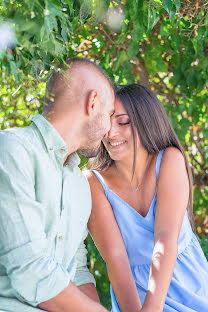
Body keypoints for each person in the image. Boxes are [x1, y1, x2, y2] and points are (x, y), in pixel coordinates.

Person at [0, 57, 115, 312]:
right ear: (92, 101)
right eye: (109, 114)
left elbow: (77, 269)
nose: (109, 131)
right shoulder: (12, 150)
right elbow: (30, 272)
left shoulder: (79, 184)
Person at [86, 84, 208, 312]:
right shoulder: (94, 183)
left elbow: (166, 238)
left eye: (122, 122)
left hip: (191, 292)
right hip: (134, 296)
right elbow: (116, 258)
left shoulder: (169, 159)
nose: (110, 132)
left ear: (146, 120)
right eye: (106, 121)